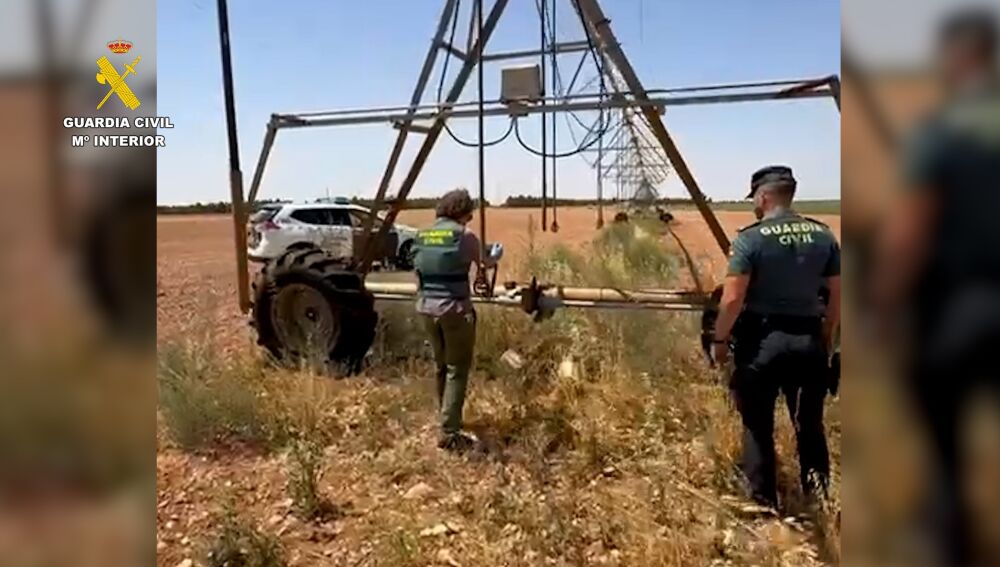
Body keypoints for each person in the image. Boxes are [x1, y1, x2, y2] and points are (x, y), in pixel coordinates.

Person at [872, 8, 1000, 563]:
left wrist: (884, 304)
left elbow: (911, 228)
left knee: (945, 457)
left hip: (961, 310)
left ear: (954, 58)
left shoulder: (943, 130)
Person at [711, 165, 842, 508]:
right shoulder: (824, 235)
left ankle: (762, 502)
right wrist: (827, 337)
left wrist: (720, 340)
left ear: (764, 196)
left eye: (755, 198)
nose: (754, 204)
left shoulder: (750, 238)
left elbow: (732, 298)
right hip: (809, 342)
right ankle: (818, 499)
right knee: (810, 425)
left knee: (757, 425)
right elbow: (838, 295)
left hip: (762, 343)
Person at [413, 189, 501, 451]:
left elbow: (417, 273)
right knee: (457, 369)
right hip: (455, 311)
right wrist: (495, 254)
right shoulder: (464, 235)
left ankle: (445, 417)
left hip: (426, 309)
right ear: (464, 212)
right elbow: (485, 262)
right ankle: (450, 433)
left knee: (441, 366)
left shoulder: (422, 234)